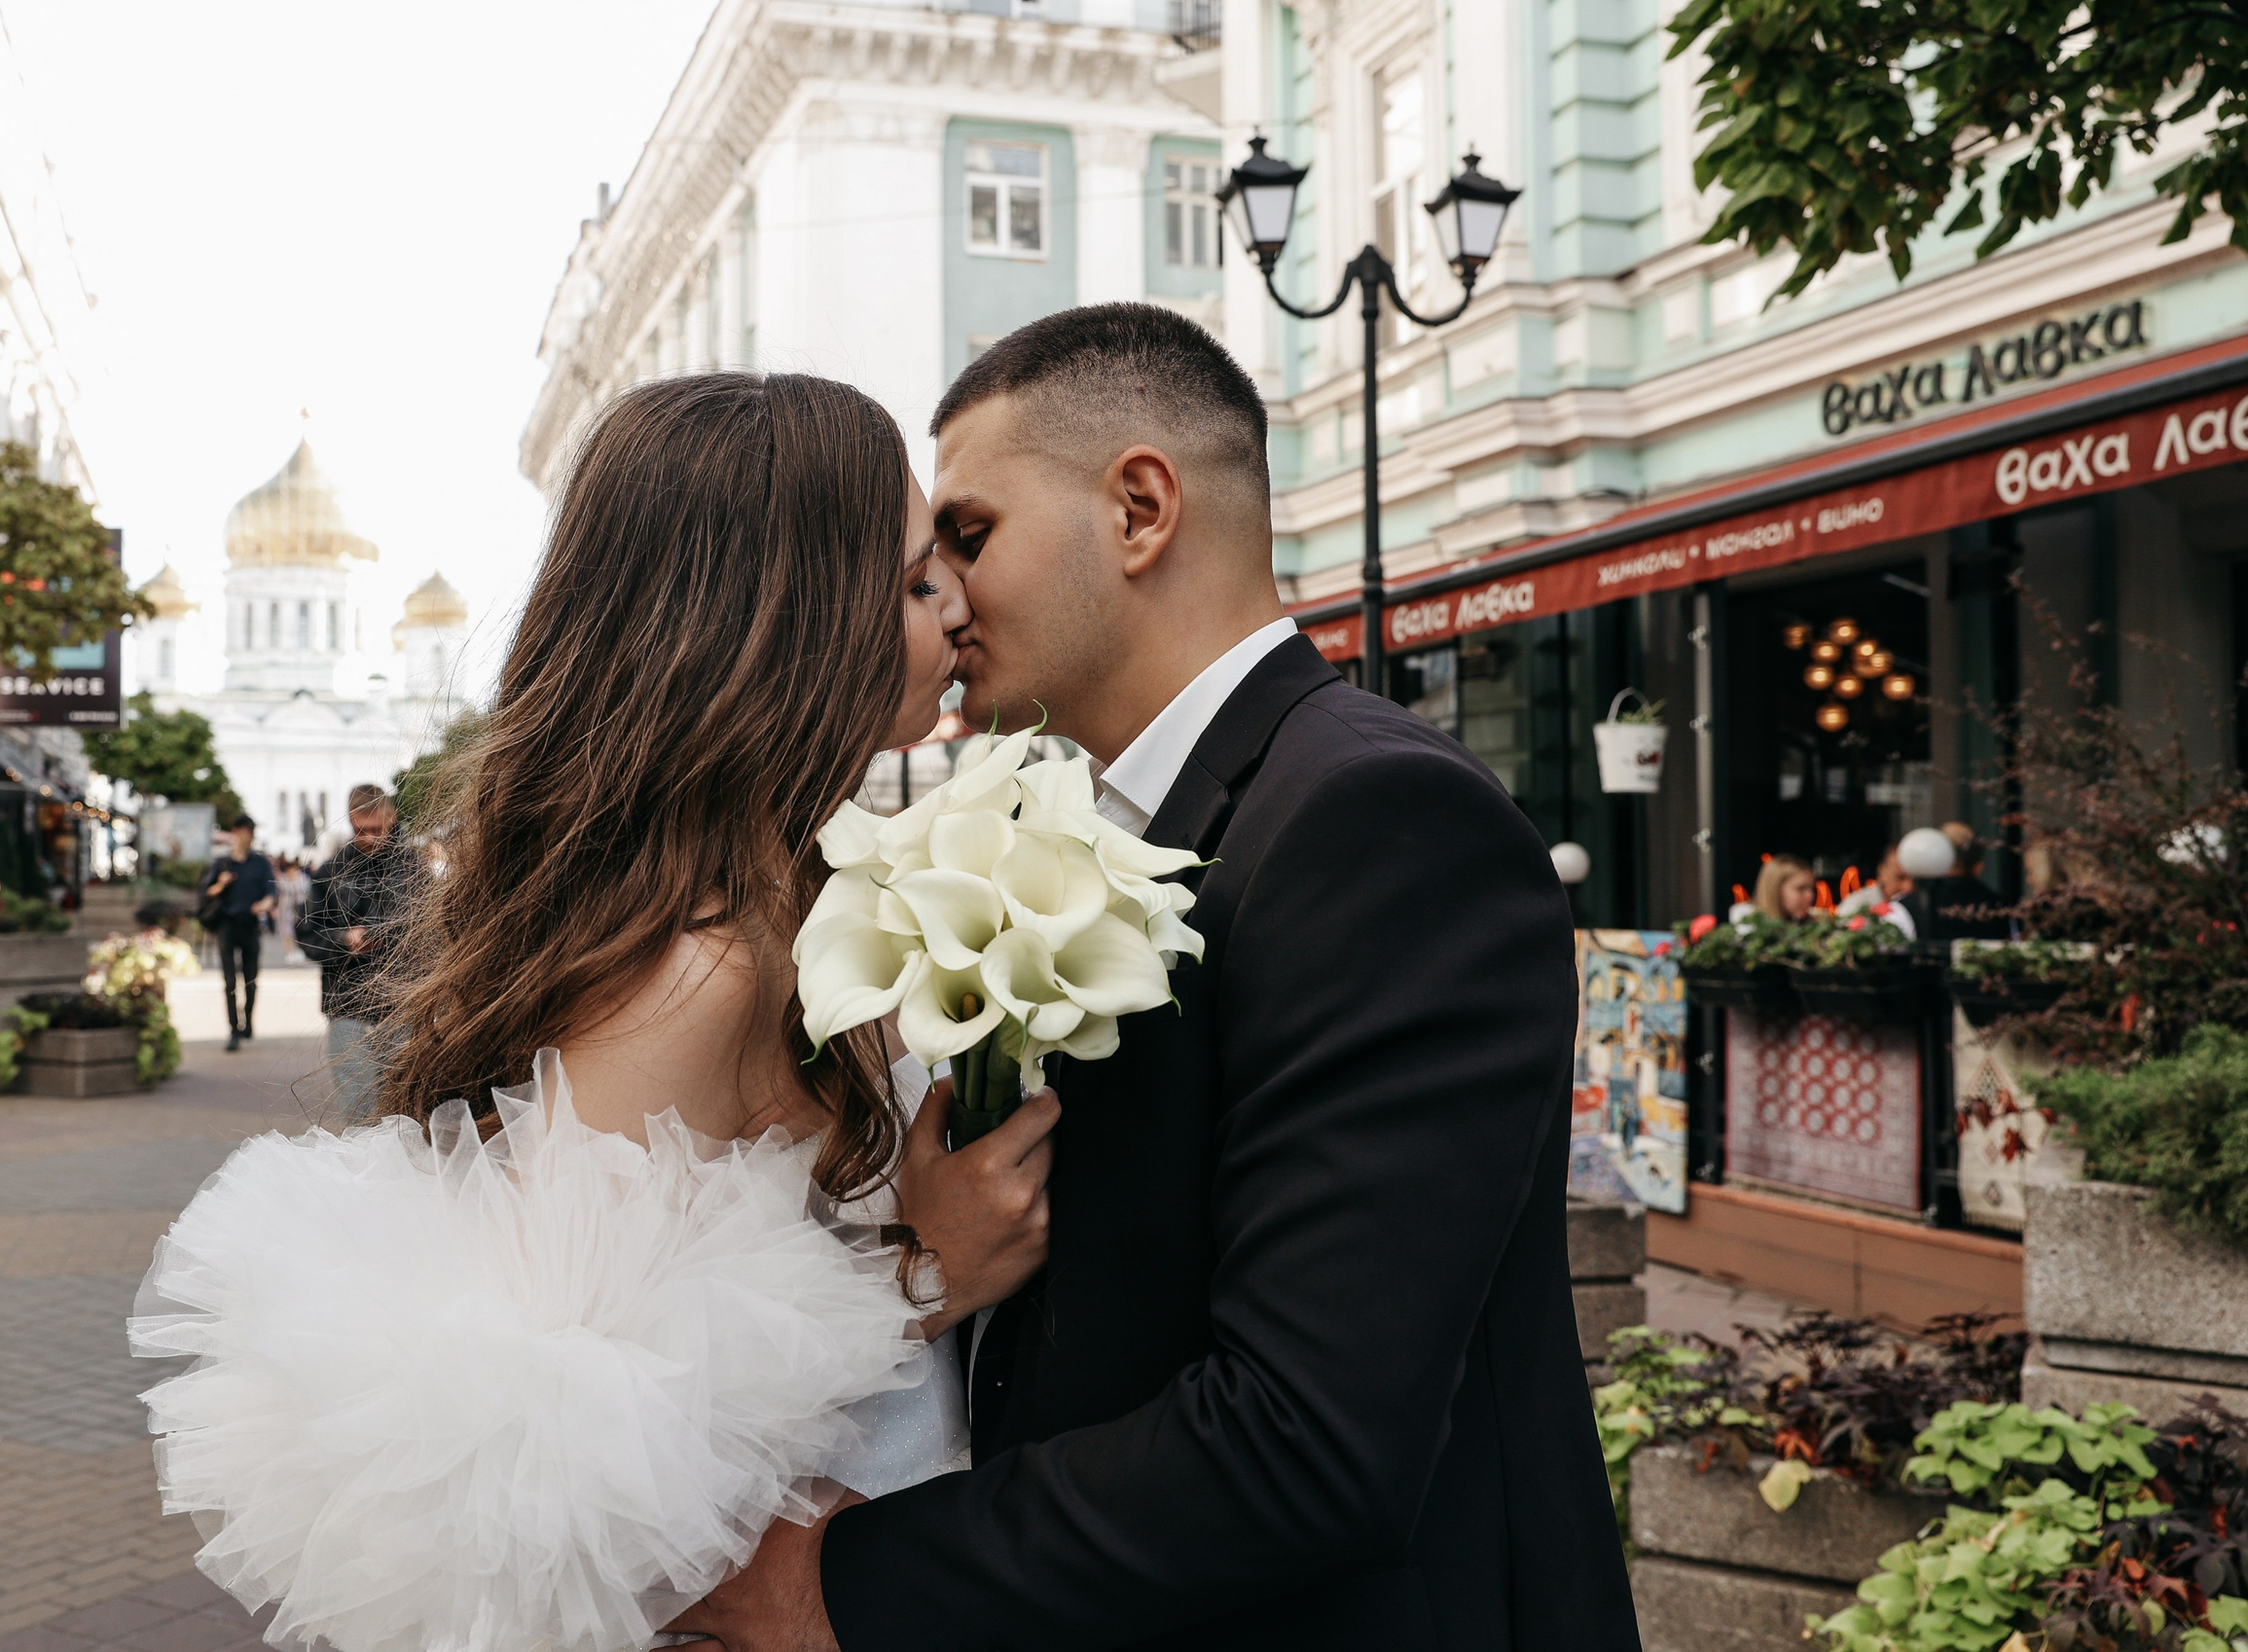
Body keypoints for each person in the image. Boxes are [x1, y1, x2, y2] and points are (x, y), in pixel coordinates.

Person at [682, 306, 1637, 1648]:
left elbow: (1307, 1435)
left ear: (1139, 508)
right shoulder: (1114, 814)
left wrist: (847, 1582)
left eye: (968, 536)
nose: (944, 598)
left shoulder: (1377, 820)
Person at [129, 373, 1053, 1651]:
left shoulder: (798, 887)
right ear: (781, 622)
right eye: (909, 581)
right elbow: (533, 1442)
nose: (954, 599)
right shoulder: (705, 964)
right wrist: (918, 1276)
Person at [296, 784, 418, 1125]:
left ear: (392, 819)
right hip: (347, 1006)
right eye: (360, 830)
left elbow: (432, 934)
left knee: (405, 1115)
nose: (369, 838)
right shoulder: (330, 872)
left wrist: (387, 936)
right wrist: (344, 940)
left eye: (377, 829)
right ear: (350, 821)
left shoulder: (414, 868)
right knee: (359, 1115)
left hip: (403, 1006)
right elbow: (306, 935)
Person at [197, 817, 276, 1053]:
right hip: (226, 926)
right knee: (229, 981)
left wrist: (264, 904)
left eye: (250, 832)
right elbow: (205, 893)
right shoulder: (221, 863)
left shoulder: (260, 863)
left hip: (250, 926)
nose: (247, 836)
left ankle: (248, 1020)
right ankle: (233, 1029)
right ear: (235, 833)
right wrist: (220, 884)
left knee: (251, 980)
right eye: (243, 832)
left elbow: (272, 892)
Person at [1755, 855, 1823, 924]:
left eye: (1812, 889)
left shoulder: (1811, 925)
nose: (1811, 896)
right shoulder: (1749, 927)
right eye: (1801, 889)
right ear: (1775, 889)